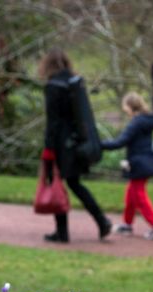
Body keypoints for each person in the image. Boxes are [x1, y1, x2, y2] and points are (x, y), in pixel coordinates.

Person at [39, 48, 111, 243]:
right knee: (74, 184)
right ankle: (100, 219)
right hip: (77, 141)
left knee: (58, 184)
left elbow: (53, 121)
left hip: (61, 143)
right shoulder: (74, 84)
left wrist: (48, 147)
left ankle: (63, 231)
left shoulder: (54, 86)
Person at [101, 92, 153, 240]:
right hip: (145, 161)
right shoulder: (147, 120)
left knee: (139, 195)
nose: (124, 110)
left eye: (125, 107)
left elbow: (120, 142)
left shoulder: (136, 122)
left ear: (129, 106)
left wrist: (99, 145)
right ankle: (127, 225)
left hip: (139, 163)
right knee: (131, 194)